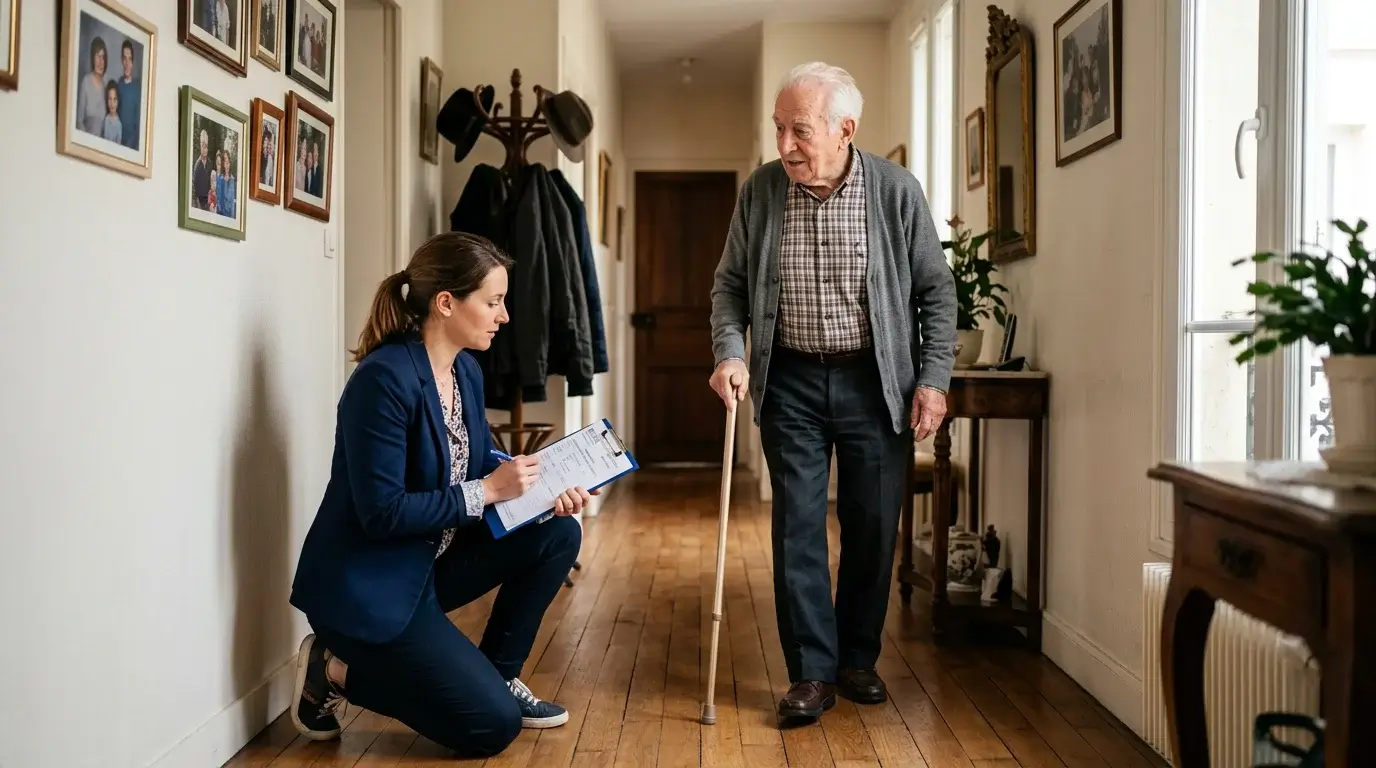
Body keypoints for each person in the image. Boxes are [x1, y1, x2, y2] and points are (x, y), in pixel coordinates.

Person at [707, 62, 957, 721]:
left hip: (874, 381)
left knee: (873, 526)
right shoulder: (761, 192)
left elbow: (937, 291)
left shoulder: (896, 191)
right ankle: (812, 672)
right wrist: (730, 354)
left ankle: (855, 659)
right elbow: (729, 286)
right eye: (779, 129)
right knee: (797, 528)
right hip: (788, 377)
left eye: (800, 130)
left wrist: (932, 381)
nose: (785, 145)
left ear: (845, 130)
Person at [287, 232, 596, 757]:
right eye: (493, 302)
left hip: (431, 563)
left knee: (559, 531)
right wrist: (488, 489)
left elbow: (473, 465)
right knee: (491, 729)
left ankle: (499, 679)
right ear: (446, 303)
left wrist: (542, 487)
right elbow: (382, 513)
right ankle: (333, 669)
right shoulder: (381, 381)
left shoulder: (465, 372)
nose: (503, 316)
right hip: (371, 586)